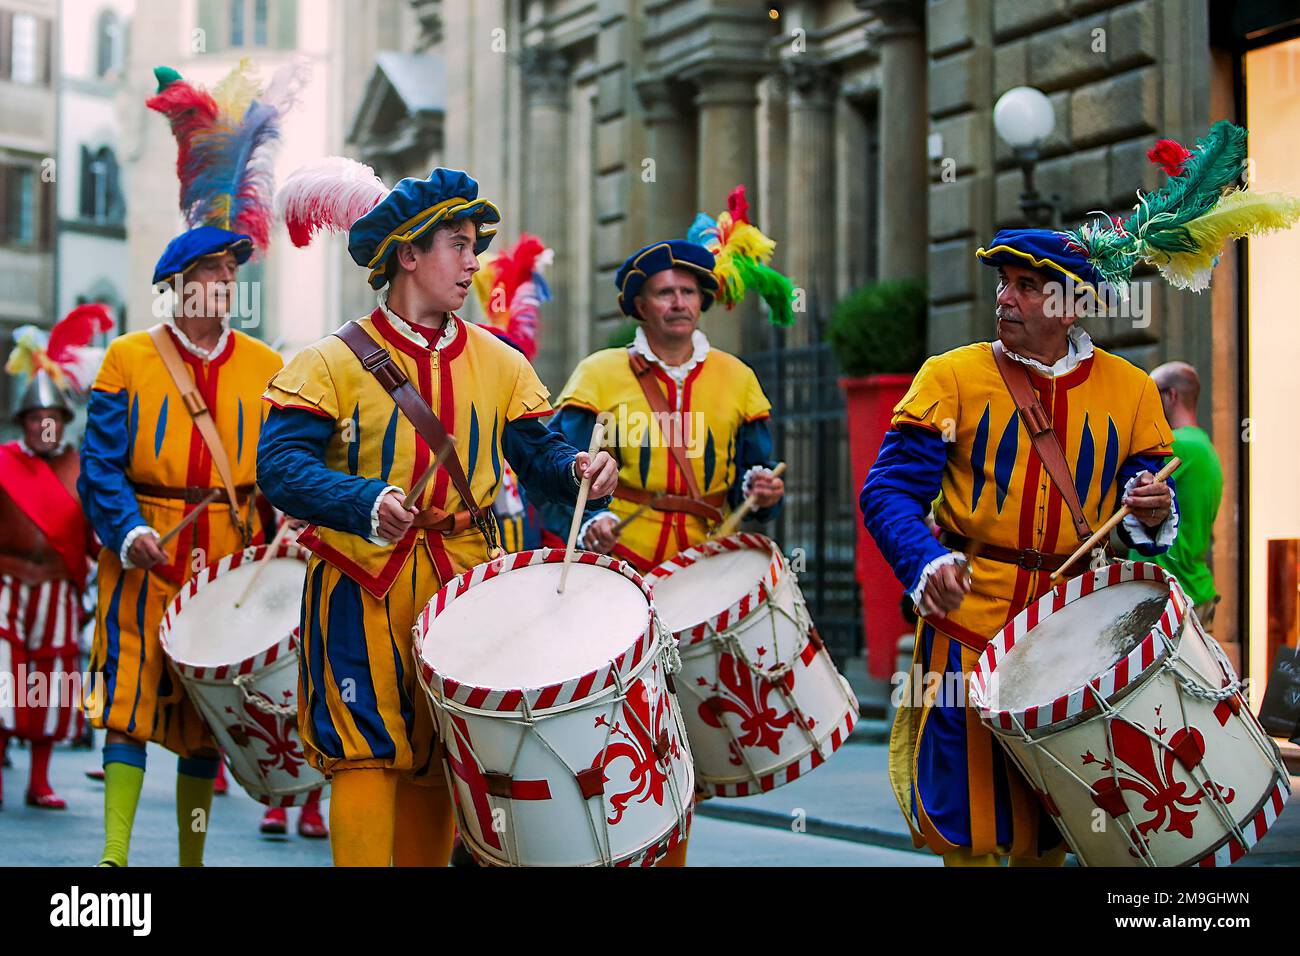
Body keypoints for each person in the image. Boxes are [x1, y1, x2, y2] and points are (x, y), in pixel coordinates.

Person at [261, 162, 618, 867]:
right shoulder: (329, 361)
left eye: (474, 244)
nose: (472, 261)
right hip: (357, 584)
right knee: (364, 751)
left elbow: (541, 456)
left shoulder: (501, 361)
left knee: (437, 754)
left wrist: (581, 470)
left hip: (465, 587)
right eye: (457, 243)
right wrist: (363, 501)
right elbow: (279, 468)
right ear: (408, 254)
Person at [861, 227, 1179, 867]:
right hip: (967, 629)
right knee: (968, 819)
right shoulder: (950, 376)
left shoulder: (1133, 390)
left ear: (1072, 304)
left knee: (1056, 817)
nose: (1005, 298)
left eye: (1026, 286)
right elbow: (888, 492)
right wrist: (927, 562)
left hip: (1071, 637)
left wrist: (1151, 507)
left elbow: (1140, 509)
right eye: (1003, 283)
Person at [79, 61, 303, 866]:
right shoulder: (127, 358)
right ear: (175, 287)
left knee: (205, 716)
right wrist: (127, 527)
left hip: (230, 552)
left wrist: (286, 535)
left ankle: (191, 862)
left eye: (229, 272)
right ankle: (112, 858)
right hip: (148, 545)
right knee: (131, 705)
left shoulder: (269, 365)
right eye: (208, 273)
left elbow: (281, 468)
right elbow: (98, 463)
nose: (221, 283)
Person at [547, 187, 791, 865]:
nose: (679, 302)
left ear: (702, 301)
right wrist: (591, 517)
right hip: (620, 576)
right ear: (639, 305)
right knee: (616, 731)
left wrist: (763, 493)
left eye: (689, 290)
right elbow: (557, 470)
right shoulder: (597, 376)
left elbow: (758, 475)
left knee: (682, 734)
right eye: (663, 292)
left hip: (703, 579)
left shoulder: (738, 379)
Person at [0, 307, 110, 809]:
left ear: (63, 420)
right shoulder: (3, 463)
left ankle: (40, 781)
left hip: (60, 593)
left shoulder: (79, 467)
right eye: (35, 418)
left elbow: (93, 533)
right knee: (4, 683)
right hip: (7, 589)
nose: (44, 425)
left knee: (47, 687)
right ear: (23, 421)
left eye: (52, 418)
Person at [1128, 361, 1223, 627]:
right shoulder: (1204, 446)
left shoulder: (1176, 446)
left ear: (1171, 396)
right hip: (1193, 587)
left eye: (1151, 394)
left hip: (1172, 594)